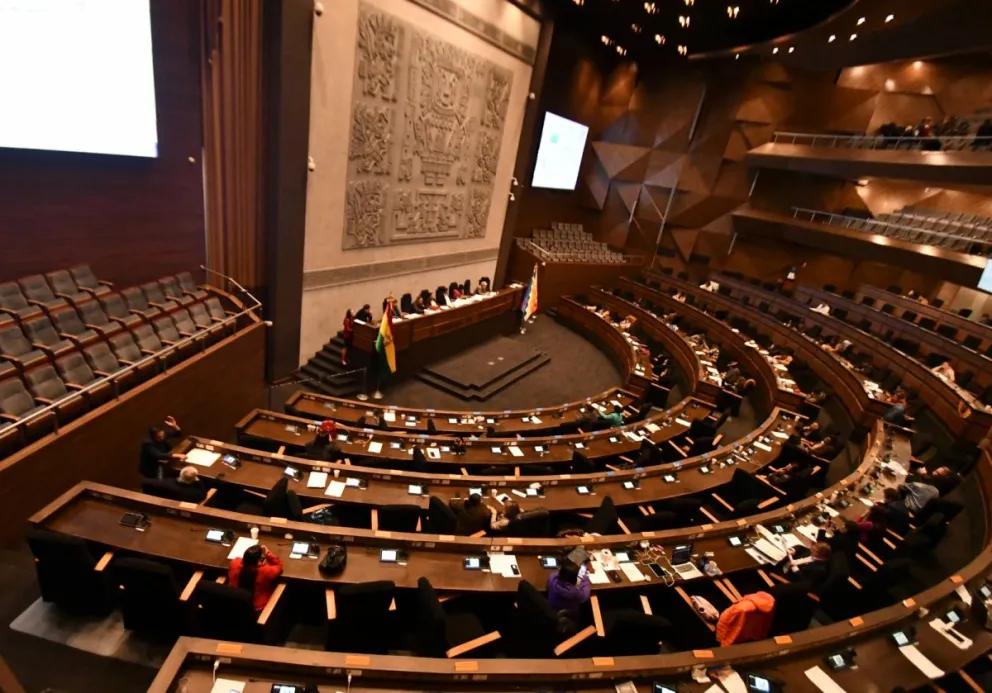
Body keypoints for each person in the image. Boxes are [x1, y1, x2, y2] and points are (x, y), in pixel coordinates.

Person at [228, 544, 284, 612]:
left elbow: (239, 561)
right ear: (259, 560)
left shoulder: (235, 563)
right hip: (256, 607)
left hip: (233, 602)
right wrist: (267, 553)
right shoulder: (265, 571)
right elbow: (279, 566)